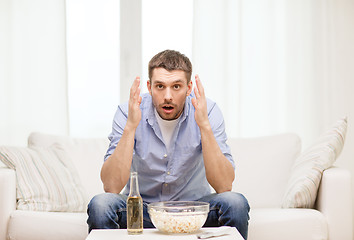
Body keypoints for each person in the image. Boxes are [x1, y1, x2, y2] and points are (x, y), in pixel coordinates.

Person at [87, 50, 250, 239]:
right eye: (160, 86)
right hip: (143, 212)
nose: (167, 96)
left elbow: (224, 186)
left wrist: (204, 126)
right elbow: (111, 186)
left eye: (176, 87)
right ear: (149, 87)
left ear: (189, 89)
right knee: (100, 205)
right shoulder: (127, 112)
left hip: (195, 212)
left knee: (236, 203)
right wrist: (131, 127)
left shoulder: (208, 110)